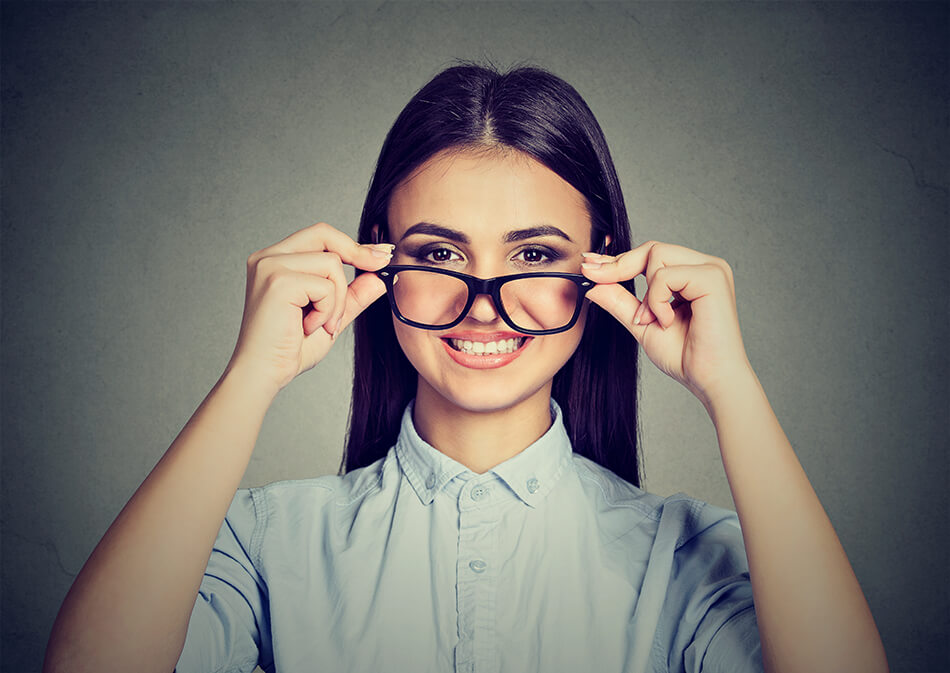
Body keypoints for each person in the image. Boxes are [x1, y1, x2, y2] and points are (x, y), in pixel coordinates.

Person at [43, 62, 889, 673]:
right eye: (441, 251)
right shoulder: (266, 542)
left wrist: (732, 390)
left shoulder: (686, 556)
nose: (484, 305)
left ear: (599, 267)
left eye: (533, 254)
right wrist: (249, 377)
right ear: (382, 263)